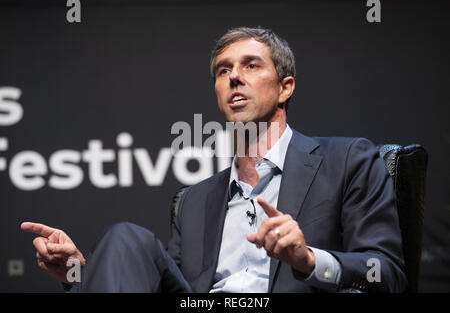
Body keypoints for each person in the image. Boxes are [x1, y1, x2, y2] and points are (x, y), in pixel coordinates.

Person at [21, 27, 407, 293]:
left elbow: (387, 273)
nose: (234, 77)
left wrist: (308, 259)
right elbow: (164, 282)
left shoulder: (346, 158)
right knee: (126, 236)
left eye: (251, 65)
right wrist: (79, 274)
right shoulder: (195, 199)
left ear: (285, 86)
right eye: (224, 70)